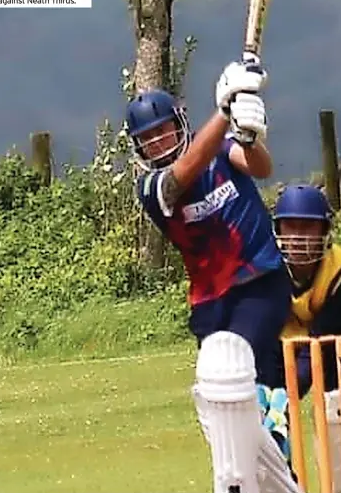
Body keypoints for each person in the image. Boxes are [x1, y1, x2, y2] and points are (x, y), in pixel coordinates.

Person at [125, 60, 301, 493]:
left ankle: (234, 483)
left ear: (179, 124)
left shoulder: (221, 150)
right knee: (219, 398)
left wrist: (246, 133)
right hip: (210, 301)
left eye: (163, 131)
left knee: (233, 367)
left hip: (260, 281)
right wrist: (223, 112)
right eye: (147, 140)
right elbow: (182, 175)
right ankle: (278, 478)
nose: (157, 143)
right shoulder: (152, 187)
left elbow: (258, 166)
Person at [262, 184, 341, 493]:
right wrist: (275, 395)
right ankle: (284, 480)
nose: (297, 238)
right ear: (277, 229)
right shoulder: (267, 267)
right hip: (283, 339)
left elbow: (321, 339)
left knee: (334, 407)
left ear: (325, 231)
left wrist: (288, 392)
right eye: (290, 226)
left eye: (308, 227)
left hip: (338, 340)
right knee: (269, 408)